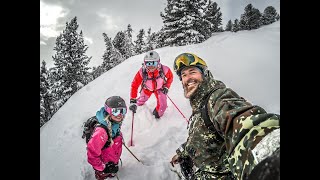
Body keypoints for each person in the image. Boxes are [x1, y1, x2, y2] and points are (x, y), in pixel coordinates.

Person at [170, 53, 280, 180]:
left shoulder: (217, 97)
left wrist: (269, 157)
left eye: (192, 72)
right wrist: (182, 153)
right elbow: (199, 138)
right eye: (184, 75)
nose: (188, 78)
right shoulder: (199, 106)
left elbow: (243, 123)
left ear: (205, 74)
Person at [87, 96, 127, 180]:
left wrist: (119, 137)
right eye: (115, 111)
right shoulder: (101, 132)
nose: (120, 115)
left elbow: (114, 132)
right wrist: (103, 168)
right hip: (104, 166)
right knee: (104, 176)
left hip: (111, 160)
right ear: (108, 111)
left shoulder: (114, 121)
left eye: (122, 111)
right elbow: (92, 154)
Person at [129, 50, 173, 118]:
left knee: (163, 105)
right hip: (147, 89)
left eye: (154, 63)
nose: (151, 66)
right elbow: (134, 85)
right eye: (148, 63)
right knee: (140, 102)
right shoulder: (142, 72)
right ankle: (135, 109)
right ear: (144, 63)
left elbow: (170, 77)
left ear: (158, 62)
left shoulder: (164, 69)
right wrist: (133, 99)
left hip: (160, 89)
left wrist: (166, 87)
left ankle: (157, 114)